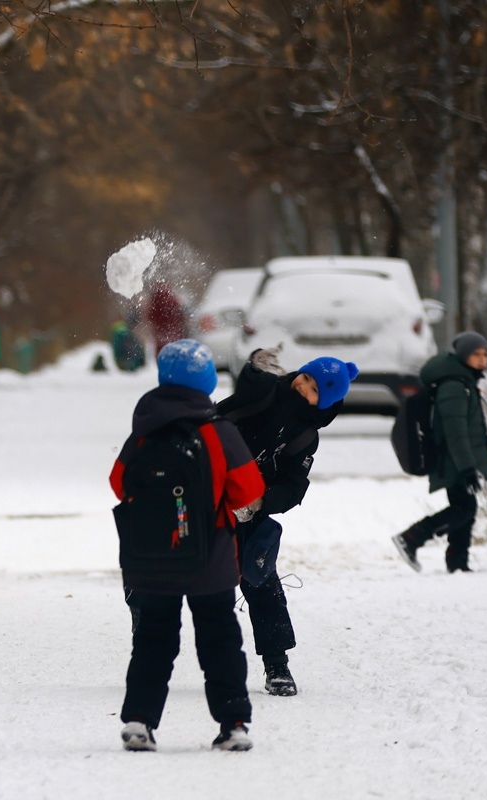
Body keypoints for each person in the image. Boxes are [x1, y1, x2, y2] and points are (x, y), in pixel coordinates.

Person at [110, 340, 265, 753]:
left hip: (150, 561)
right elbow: (250, 489)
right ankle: (233, 723)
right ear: (207, 382)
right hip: (209, 561)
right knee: (219, 641)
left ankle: (139, 721)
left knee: (152, 642)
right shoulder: (217, 432)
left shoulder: (143, 431)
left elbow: (118, 482)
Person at [215, 348, 358, 697]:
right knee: (187, 566)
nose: (302, 386)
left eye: (313, 388)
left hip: (249, 507)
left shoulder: (306, 436)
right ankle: (149, 629)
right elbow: (250, 383)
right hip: (211, 486)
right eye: (304, 377)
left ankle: (277, 664)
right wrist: (255, 364)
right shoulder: (270, 389)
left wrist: (263, 500)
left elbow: (294, 487)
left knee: (261, 581)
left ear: (323, 403)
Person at [392, 332, 487, 574]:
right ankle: (412, 537)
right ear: (463, 356)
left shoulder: (463, 382)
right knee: (464, 508)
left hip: (457, 459)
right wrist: (468, 468)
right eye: (475, 354)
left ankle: (457, 562)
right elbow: (455, 432)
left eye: (485, 354)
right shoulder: (454, 387)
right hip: (453, 460)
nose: (481, 359)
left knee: (465, 506)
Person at [144, 283, 188, 355]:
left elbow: (149, 318)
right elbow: (181, 315)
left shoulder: (153, 304)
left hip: (161, 339)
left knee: (163, 356)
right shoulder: (173, 301)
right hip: (175, 336)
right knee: (178, 355)